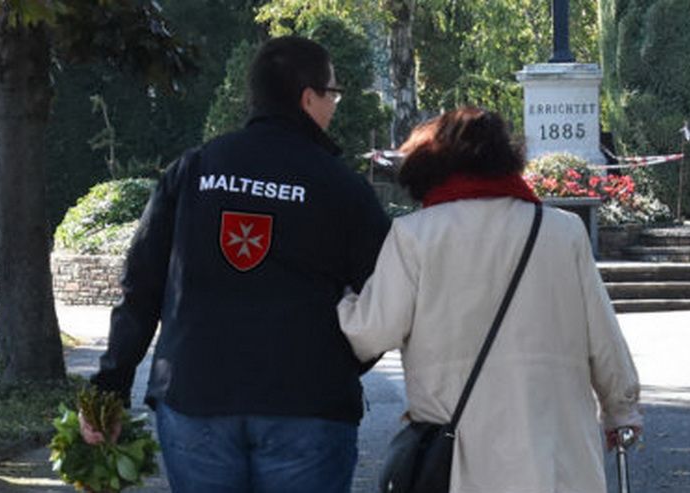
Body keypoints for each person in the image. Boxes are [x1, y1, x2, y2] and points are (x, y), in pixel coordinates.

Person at [89, 36, 391, 492]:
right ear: (307, 97)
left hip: (197, 396)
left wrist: (109, 386)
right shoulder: (342, 187)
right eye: (333, 93)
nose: (335, 106)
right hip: (306, 402)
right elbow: (387, 292)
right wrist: (343, 363)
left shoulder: (192, 171)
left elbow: (141, 286)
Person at [338, 108, 643, 492]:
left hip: (464, 460)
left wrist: (340, 294)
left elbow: (369, 333)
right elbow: (604, 337)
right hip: (558, 455)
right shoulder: (563, 231)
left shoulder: (415, 236)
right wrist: (621, 410)